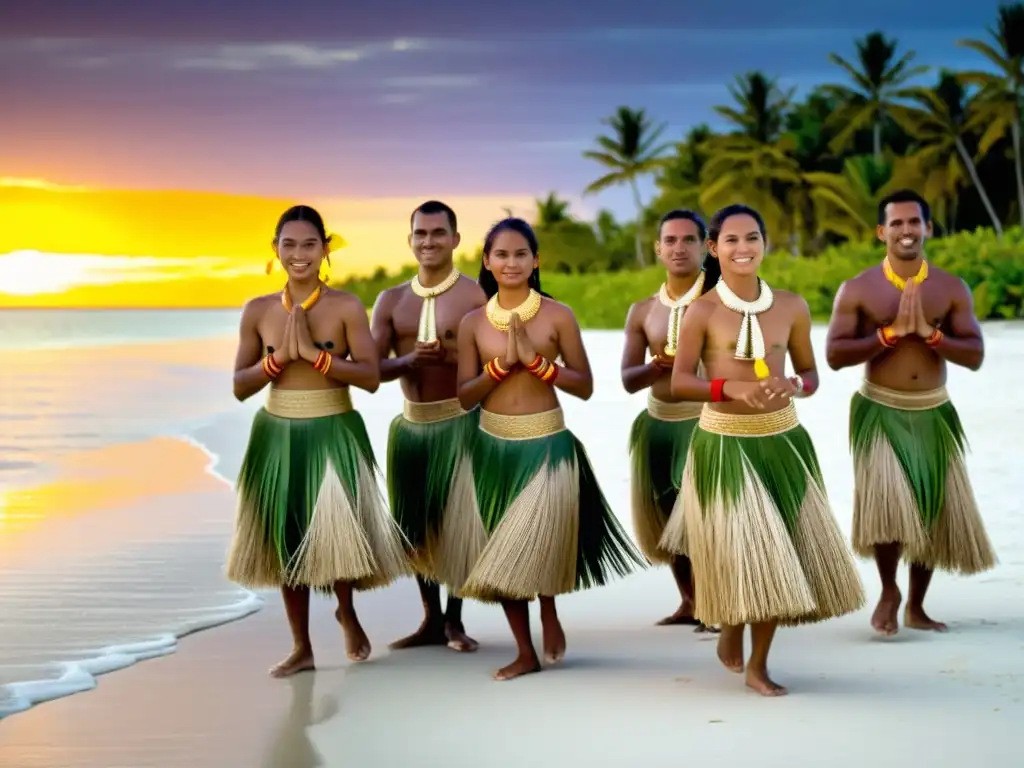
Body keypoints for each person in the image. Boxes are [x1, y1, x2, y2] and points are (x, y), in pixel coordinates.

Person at [662, 203, 865, 696]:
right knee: (741, 552)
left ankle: (758, 664)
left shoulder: (792, 306)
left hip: (782, 441)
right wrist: (726, 391)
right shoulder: (702, 311)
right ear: (713, 249)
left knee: (777, 552)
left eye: (752, 237)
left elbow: (811, 373)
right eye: (730, 240)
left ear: (765, 243)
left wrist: (796, 384)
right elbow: (679, 380)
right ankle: (731, 626)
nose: (742, 248)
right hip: (724, 446)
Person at [455, 217, 646, 681]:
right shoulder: (473, 323)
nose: (511, 262)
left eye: (521, 254)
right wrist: (500, 367)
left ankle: (549, 608)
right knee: (502, 555)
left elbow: (583, 385)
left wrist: (539, 365)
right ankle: (525, 651)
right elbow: (464, 396)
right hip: (493, 448)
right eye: (501, 254)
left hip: (547, 444)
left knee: (538, 542)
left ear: (536, 260)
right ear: (487, 262)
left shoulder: (557, 316)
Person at [226, 204, 410, 677]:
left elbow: (369, 376)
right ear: (275, 249)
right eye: (289, 244)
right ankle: (301, 647)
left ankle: (346, 610)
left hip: (334, 426)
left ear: (326, 248)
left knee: (337, 532)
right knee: (287, 539)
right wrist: (278, 361)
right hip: (277, 432)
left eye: (310, 244)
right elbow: (240, 385)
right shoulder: (259, 310)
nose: (299, 254)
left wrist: (314, 356)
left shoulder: (346, 306)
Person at [825, 189, 996, 636]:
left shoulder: (950, 287)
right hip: (879, 408)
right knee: (887, 507)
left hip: (933, 411)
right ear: (882, 231)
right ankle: (888, 590)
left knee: (930, 507)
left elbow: (975, 354)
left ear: (929, 228)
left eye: (913, 222)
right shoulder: (858, 288)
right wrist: (889, 336)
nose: (906, 230)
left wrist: (931, 337)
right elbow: (835, 355)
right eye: (896, 223)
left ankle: (917, 606)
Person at [370, 200, 487, 654]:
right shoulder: (391, 300)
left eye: (438, 233)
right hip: (412, 426)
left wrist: (454, 358)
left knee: (459, 523)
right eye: (421, 233)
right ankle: (430, 619)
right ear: (410, 239)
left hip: (460, 420)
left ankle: (455, 620)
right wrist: (408, 360)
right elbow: (371, 370)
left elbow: (496, 361)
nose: (429, 241)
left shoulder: (476, 297)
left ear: (456, 240)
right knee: (414, 526)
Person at [621, 209, 720, 631]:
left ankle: (719, 603)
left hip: (707, 423)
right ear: (658, 248)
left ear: (705, 247)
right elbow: (628, 379)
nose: (679, 248)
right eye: (671, 241)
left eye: (688, 240)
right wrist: (657, 368)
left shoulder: (723, 304)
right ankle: (689, 601)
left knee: (708, 517)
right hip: (658, 423)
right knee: (667, 514)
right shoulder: (643, 311)